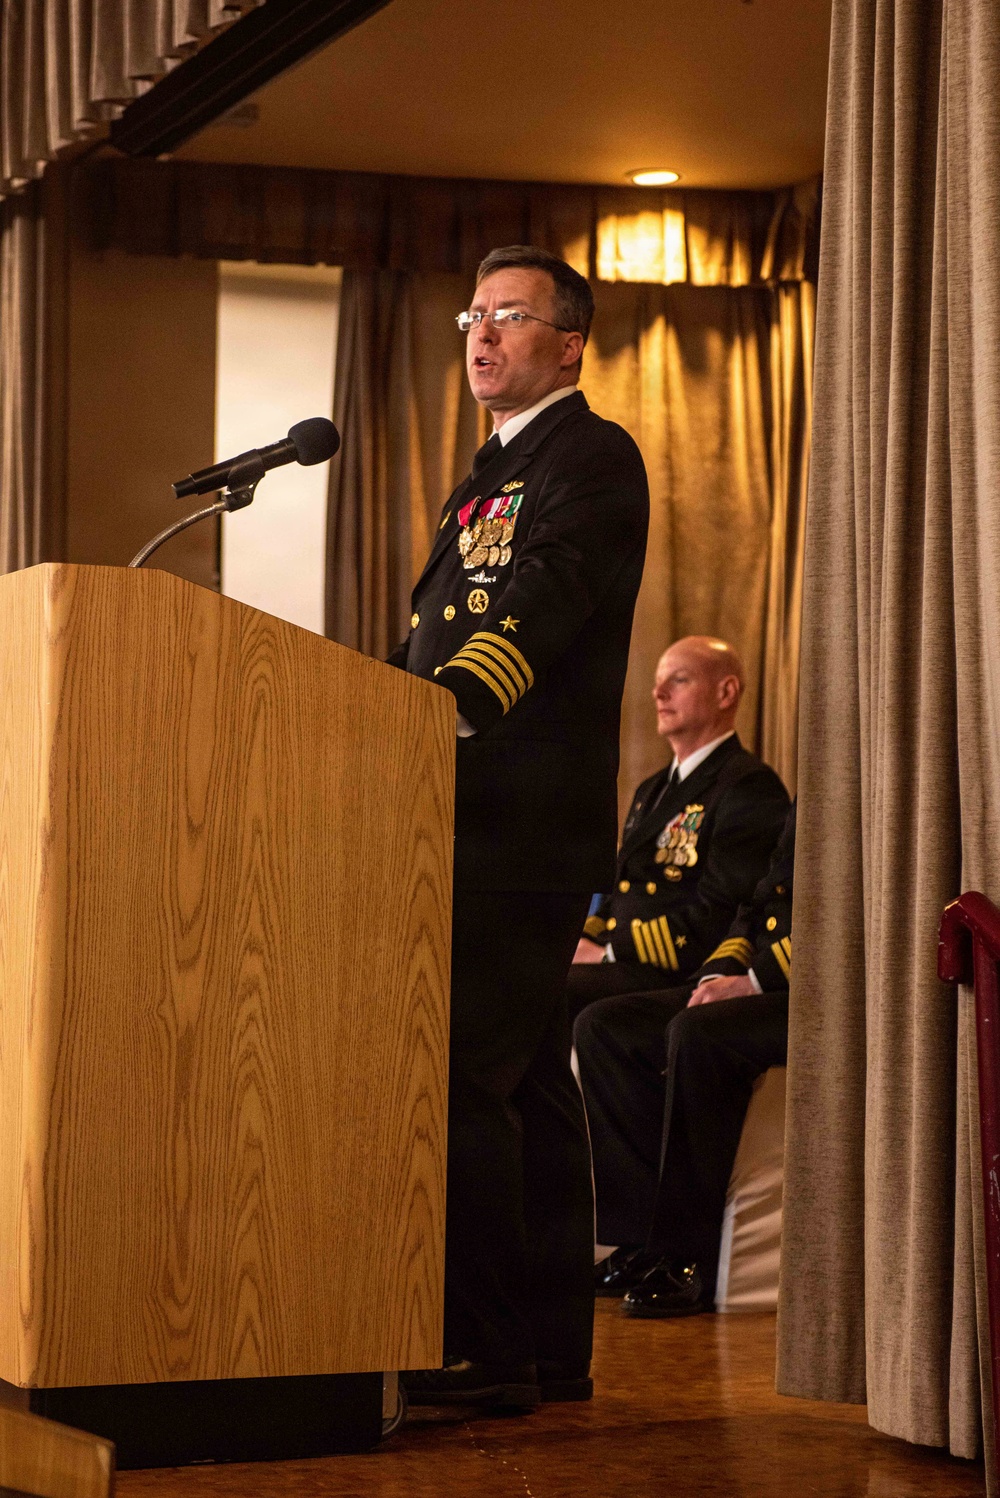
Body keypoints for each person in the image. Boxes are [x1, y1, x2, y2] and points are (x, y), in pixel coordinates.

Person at [388, 246, 649, 1408]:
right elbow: (428, 625)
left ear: (569, 341)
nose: (482, 335)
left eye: (510, 316)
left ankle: (482, 1350)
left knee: (461, 1083)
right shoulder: (488, 469)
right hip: (468, 816)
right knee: (532, 1084)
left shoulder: (589, 455)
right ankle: (543, 1348)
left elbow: (549, 589)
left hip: (520, 824)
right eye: (473, 315)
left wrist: (447, 703)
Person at [575, 799, 796, 1317]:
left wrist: (758, 979)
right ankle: (635, 1240)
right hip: (760, 974)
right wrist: (720, 976)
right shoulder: (814, 781)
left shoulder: (748, 786)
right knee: (605, 1027)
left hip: (810, 986)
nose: (660, 708)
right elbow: (758, 903)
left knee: (698, 1035)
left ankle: (686, 1254)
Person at [566, 637, 789, 1026]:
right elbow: (620, 891)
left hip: (677, 967)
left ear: (726, 692)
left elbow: (723, 911)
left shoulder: (747, 785)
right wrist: (577, 941)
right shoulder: (651, 789)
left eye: (679, 680)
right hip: (628, 962)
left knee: (556, 994)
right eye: (657, 681)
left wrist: (609, 952)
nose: (659, 692)